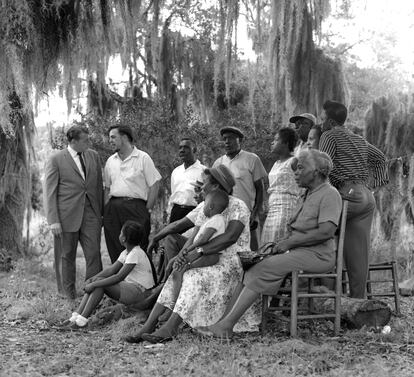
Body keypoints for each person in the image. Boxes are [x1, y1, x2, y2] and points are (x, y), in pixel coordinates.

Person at [195, 149, 342, 338]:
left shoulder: (330, 194)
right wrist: (280, 245)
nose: (296, 172)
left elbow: (326, 231)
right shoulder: (306, 194)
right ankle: (223, 323)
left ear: (316, 171)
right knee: (250, 266)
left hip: (319, 255)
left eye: (300, 168)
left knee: (263, 267)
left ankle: (226, 326)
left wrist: (289, 243)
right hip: (299, 252)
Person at [125, 164, 260, 344]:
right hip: (206, 256)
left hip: (231, 261)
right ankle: (149, 325)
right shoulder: (207, 205)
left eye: (204, 183)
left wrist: (198, 251)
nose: (201, 187)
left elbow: (230, 237)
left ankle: (171, 327)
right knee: (178, 269)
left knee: (194, 275)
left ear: (216, 185)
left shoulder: (238, 206)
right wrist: (180, 255)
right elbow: (195, 235)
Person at [319, 100, 389, 298]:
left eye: (323, 119)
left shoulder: (329, 135)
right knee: (358, 253)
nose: (321, 123)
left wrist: (320, 195)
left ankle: (323, 295)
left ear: (331, 122)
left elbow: (325, 164)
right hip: (366, 197)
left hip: (347, 193)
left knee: (315, 227)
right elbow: (381, 159)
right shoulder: (358, 139)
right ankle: (358, 303)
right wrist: (374, 185)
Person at [44, 125, 103, 300]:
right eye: (85, 140)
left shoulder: (94, 156)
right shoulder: (56, 159)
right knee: (66, 256)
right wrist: (53, 220)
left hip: (91, 214)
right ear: (73, 141)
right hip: (65, 216)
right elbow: (50, 192)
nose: (89, 143)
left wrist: (101, 214)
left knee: (94, 254)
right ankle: (67, 296)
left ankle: (91, 294)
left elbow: (98, 186)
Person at [62, 221, 155, 328]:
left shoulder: (135, 253)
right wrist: (93, 279)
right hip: (133, 289)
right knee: (97, 282)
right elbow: (111, 270)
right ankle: (76, 317)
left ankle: (81, 322)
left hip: (140, 293)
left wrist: (94, 284)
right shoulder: (126, 252)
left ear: (124, 238)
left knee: (99, 285)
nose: (119, 235)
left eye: (121, 233)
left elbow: (119, 277)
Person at [103, 125, 161, 262]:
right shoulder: (110, 161)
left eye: (113, 137)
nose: (110, 140)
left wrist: (147, 210)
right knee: (115, 249)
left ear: (124, 137)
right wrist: (106, 210)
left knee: (139, 250)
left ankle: (144, 283)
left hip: (136, 208)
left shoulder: (143, 158)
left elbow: (154, 185)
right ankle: (118, 281)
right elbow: (107, 188)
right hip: (113, 209)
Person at [213, 126, 267, 250]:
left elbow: (260, 188)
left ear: (240, 140)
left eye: (231, 138)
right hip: (225, 215)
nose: (227, 142)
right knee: (228, 249)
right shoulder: (218, 163)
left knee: (251, 249)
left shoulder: (252, 159)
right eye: (224, 139)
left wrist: (255, 213)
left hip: (247, 213)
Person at [169, 189, 229, 297]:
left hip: (210, 255)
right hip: (203, 253)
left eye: (205, 203)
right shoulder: (212, 220)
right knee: (178, 270)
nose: (203, 207)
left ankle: (174, 301)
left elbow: (203, 239)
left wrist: (188, 249)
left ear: (210, 206)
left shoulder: (217, 220)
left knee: (181, 270)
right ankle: (174, 298)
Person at [261, 127, 301, 245]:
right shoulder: (276, 163)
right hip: (273, 207)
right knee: (267, 242)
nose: (272, 143)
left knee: (278, 240)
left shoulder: (294, 161)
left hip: (286, 207)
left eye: (276, 140)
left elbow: (303, 184)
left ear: (286, 143)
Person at [169, 138, 205, 223]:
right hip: (176, 212)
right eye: (180, 147)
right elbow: (173, 194)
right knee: (173, 236)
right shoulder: (176, 171)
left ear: (194, 150)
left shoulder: (204, 171)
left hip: (194, 213)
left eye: (186, 147)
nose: (182, 150)